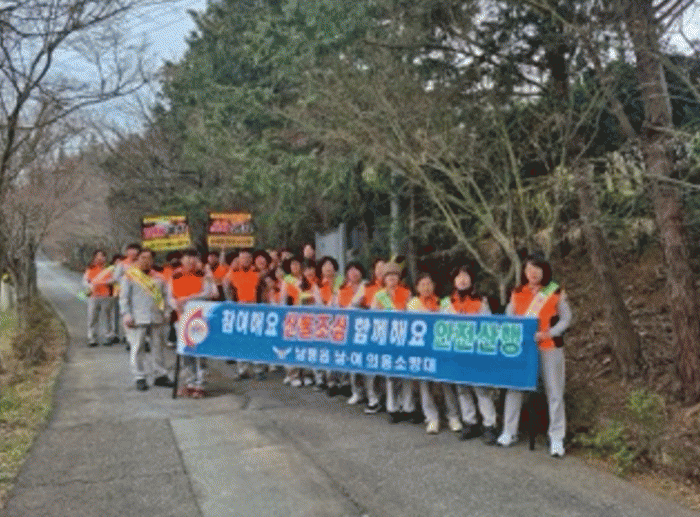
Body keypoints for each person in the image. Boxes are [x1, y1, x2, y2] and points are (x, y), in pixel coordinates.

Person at [497, 253, 572, 457]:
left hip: (549, 346)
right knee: (515, 387)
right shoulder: (517, 292)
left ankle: (556, 437)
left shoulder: (554, 291)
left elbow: (566, 318)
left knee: (554, 391)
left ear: (544, 271)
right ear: (524, 272)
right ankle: (509, 431)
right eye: (529, 269)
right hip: (523, 348)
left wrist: (550, 333)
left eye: (537, 269)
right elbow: (509, 316)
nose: (533, 273)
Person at [440, 264, 498, 443]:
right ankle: (470, 422)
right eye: (458, 276)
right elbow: (441, 326)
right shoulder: (446, 302)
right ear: (453, 280)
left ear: (472, 279)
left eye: (466, 276)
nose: (462, 280)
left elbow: (488, 326)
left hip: (476, 351)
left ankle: (489, 425)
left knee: (481, 389)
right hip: (457, 351)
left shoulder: (481, 301)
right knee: (462, 389)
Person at [120, 248, 172, 391]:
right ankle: (139, 376)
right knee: (138, 348)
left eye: (149, 258)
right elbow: (124, 298)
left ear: (153, 260)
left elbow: (165, 296)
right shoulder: (130, 276)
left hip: (156, 316)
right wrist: (126, 314)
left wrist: (167, 312)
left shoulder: (159, 277)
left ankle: (160, 375)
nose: (146, 261)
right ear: (137, 259)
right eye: (142, 258)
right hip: (137, 317)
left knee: (158, 347)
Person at [370, 261, 416, 424]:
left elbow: (413, 313)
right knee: (390, 375)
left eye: (395, 275)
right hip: (387, 339)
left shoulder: (406, 293)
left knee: (405, 374)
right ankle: (393, 407)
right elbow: (373, 317)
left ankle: (408, 407)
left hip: (404, 338)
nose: (392, 279)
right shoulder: (379, 296)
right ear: (384, 278)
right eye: (388, 276)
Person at [408, 272, 451, 434]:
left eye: (429, 284)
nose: (426, 287)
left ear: (434, 285)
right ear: (417, 288)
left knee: (446, 382)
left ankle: (453, 415)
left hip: (441, 349)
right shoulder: (413, 303)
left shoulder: (443, 302)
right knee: (425, 383)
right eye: (422, 284)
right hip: (422, 350)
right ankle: (432, 418)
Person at [169, 249, 211, 398]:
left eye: (194, 259)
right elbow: (170, 297)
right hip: (181, 319)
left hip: (200, 320)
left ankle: (201, 384)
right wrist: (176, 305)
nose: (191, 261)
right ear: (182, 260)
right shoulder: (175, 276)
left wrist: (187, 299)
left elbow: (208, 293)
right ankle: (189, 382)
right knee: (186, 352)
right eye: (187, 258)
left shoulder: (203, 275)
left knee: (199, 352)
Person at [336, 261, 368, 405]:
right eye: (351, 270)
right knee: (353, 361)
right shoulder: (342, 289)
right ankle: (356, 392)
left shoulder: (368, 286)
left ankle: (371, 394)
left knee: (366, 362)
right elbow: (339, 308)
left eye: (357, 269)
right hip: (349, 330)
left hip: (365, 329)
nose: (354, 273)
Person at [317, 256, 345, 395]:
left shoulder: (342, 282)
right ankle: (330, 382)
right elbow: (318, 304)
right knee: (327, 351)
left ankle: (343, 381)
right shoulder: (318, 284)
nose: (328, 267)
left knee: (341, 351)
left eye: (330, 265)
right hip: (325, 322)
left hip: (341, 321)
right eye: (325, 265)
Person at [361, 258, 385, 413]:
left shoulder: (401, 289)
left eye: (384, 268)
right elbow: (356, 305)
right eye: (378, 268)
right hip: (371, 332)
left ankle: (390, 401)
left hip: (392, 333)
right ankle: (372, 398)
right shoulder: (367, 287)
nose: (381, 271)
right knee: (370, 366)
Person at [83, 250, 116, 347]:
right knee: (92, 317)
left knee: (107, 317)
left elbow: (114, 280)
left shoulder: (109, 269)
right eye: (98, 256)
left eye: (102, 256)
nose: (100, 258)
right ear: (94, 258)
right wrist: (89, 286)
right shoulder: (90, 269)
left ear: (105, 258)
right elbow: (85, 281)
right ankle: (92, 338)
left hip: (106, 295)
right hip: (93, 296)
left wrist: (105, 282)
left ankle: (108, 336)